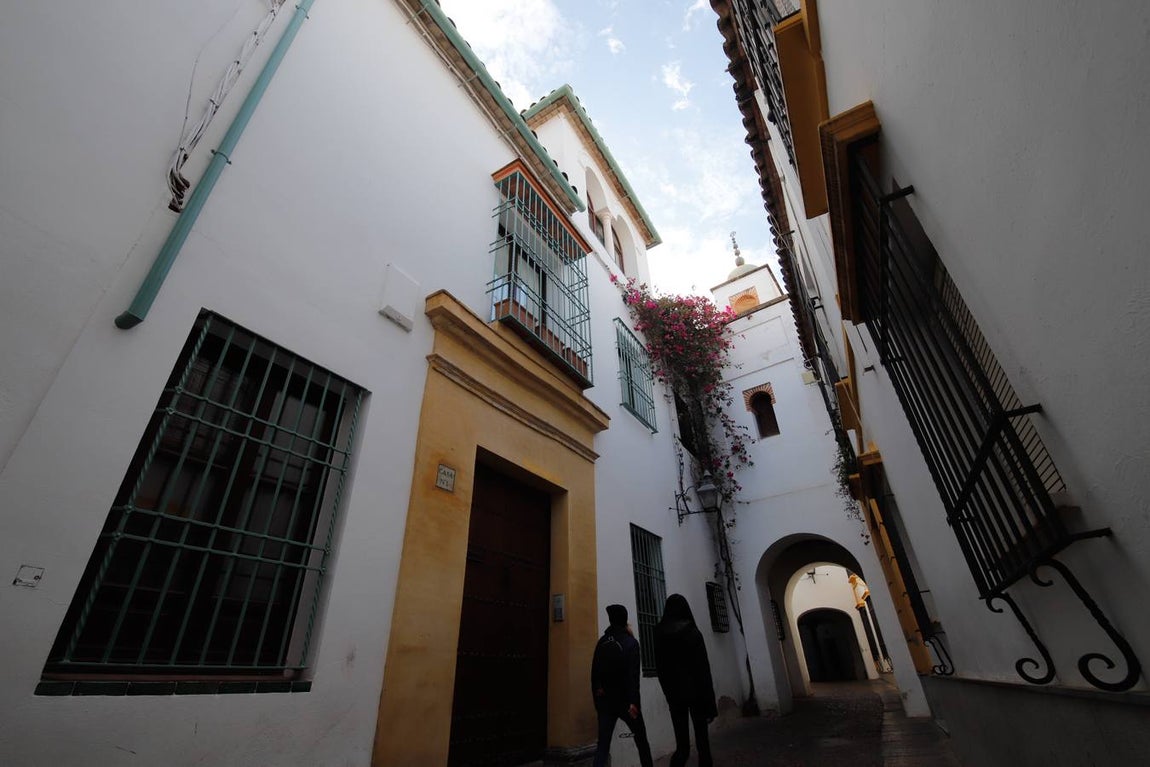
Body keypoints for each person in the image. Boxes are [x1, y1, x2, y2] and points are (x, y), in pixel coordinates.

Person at [654, 594, 717, 767]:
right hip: (696, 694)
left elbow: (660, 669)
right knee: (702, 741)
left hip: (675, 696)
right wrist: (710, 705)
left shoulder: (659, 633)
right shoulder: (692, 632)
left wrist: (668, 693)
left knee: (681, 743)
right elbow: (703, 670)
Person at [591, 604, 654, 767]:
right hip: (626, 703)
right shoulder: (631, 643)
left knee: (603, 746)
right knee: (641, 742)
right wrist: (634, 703)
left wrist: (598, 702)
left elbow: (594, 674)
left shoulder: (602, 642)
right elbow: (633, 677)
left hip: (605, 702)